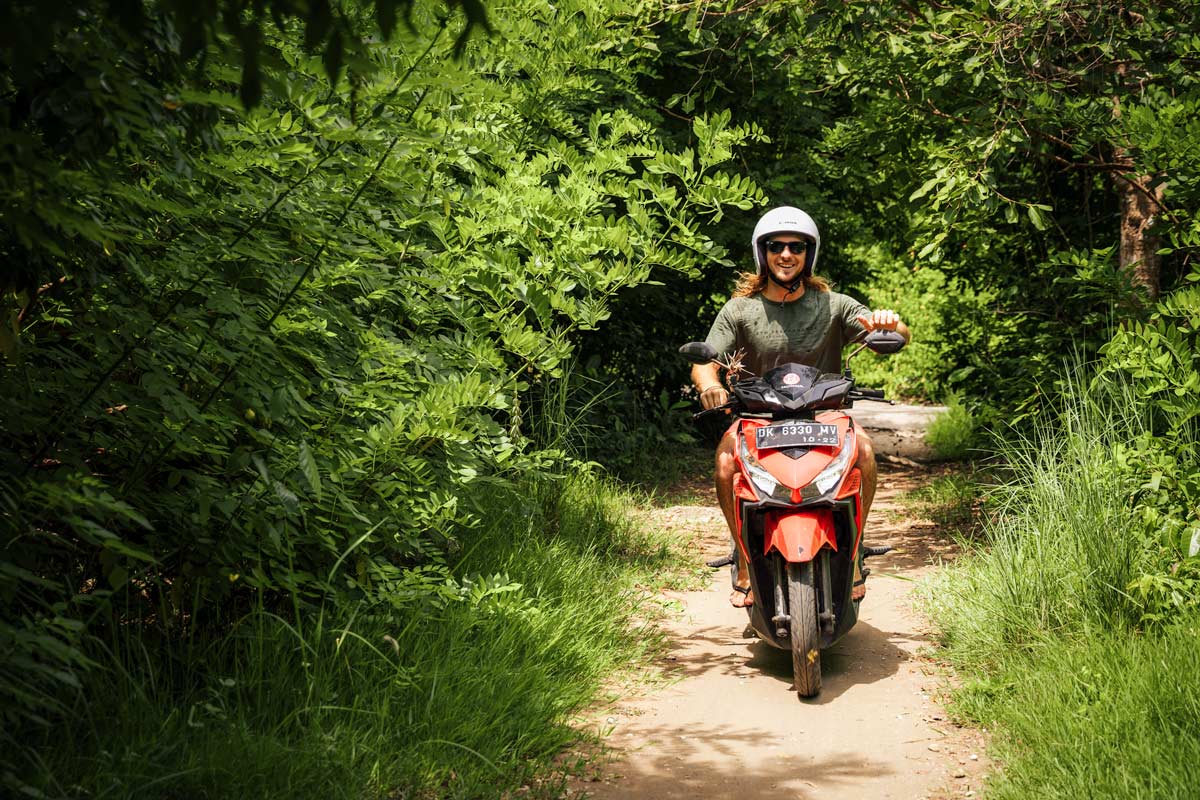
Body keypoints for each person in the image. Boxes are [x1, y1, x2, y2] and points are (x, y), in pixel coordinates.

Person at [690, 206, 910, 607]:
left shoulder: (835, 305)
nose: (786, 254)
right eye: (777, 246)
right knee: (725, 461)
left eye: (796, 247)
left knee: (863, 450)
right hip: (758, 416)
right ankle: (742, 555)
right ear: (763, 253)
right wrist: (710, 385)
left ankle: (856, 549)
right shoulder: (740, 310)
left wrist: (889, 324)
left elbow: (896, 334)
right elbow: (705, 360)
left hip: (825, 414)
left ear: (810, 253)